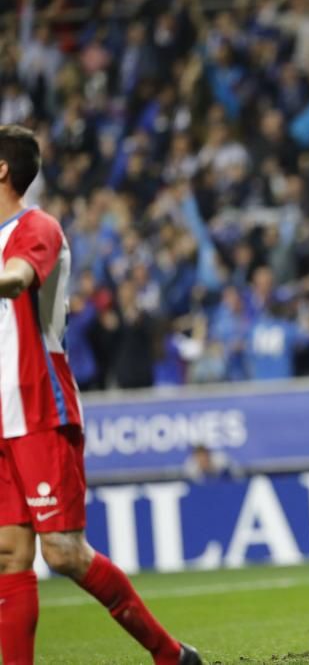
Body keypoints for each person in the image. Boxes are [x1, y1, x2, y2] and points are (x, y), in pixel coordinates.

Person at [0, 125, 202, 664]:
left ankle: (169, 655)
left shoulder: (35, 225)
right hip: (2, 418)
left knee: (63, 552)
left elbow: (18, 277)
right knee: (8, 555)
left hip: (41, 407)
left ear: (3, 169)